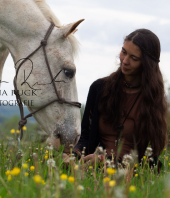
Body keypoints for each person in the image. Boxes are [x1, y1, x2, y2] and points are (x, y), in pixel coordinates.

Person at [63, 29, 168, 167]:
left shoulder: (153, 99)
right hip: (95, 169)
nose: (125, 61)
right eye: (124, 52)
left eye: (134, 58)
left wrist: (109, 163)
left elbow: (150, 157)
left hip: (132, 173)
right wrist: (74, 156)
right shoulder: (99, 88)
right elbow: (86, 138)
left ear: (147, 64)